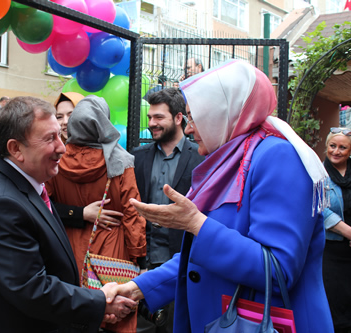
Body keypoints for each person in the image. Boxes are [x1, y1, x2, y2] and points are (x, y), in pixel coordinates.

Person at [113, 59, 334, 332]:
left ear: (224, 112)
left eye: (194, 117)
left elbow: (278, 271)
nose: (189, 129)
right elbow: (199, 259)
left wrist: (196, 223)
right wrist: (136, 289)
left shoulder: (278, 157)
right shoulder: (230, 159)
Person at [0, 96, 137, 333]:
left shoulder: (29, 186)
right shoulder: (1, 204)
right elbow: (31, 289)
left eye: (59, 134)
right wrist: (99, 301)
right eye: (50, 138)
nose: (62, 147)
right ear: (16, 149)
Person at [46, 95, 147, 333]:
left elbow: (45, 204)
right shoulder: (121, 161)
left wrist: (78, 213)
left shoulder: (56, 159)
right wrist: (139, 258)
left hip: (69, 246)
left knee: (76, 312)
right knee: (116, 310)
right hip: (113, 248)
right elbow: (133, 214)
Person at [131, 88, 204, 333]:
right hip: (143, 263)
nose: (152, 123)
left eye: (159, 117)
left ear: (178, 118)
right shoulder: (137, 157)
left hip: (182, 263)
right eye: (150, 117)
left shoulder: (202, 158)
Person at [53, 91, 124, 231]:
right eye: (59, 117)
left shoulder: (112, 155)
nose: (66, 122)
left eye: (71, 114)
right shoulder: (50, 155)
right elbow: (42, 203)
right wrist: (80, 213)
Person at [322, 127, 351, 333]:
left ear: (350, 150)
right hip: (332, 252)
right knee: (335, 304)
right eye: (332, 146)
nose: (336, 151)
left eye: (342, 147)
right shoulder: (318, 174)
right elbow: (320, 210)